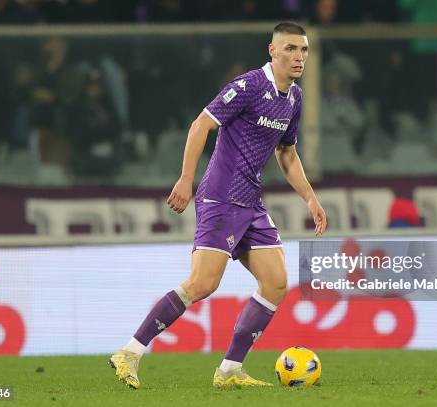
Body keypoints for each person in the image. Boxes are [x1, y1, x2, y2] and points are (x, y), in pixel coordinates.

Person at [109, 22, 327, 390]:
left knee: (276, 283)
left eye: (303, 50)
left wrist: (309, 196)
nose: (298, 57)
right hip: (222, 196)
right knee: (202, 284)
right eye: (290, 49)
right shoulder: (248, 86)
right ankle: (129, 352)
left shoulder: (294, 98)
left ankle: (229, 370)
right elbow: (200, 125)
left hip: (252, 201)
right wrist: (185, 179)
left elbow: (286, 152)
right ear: (272, 51)